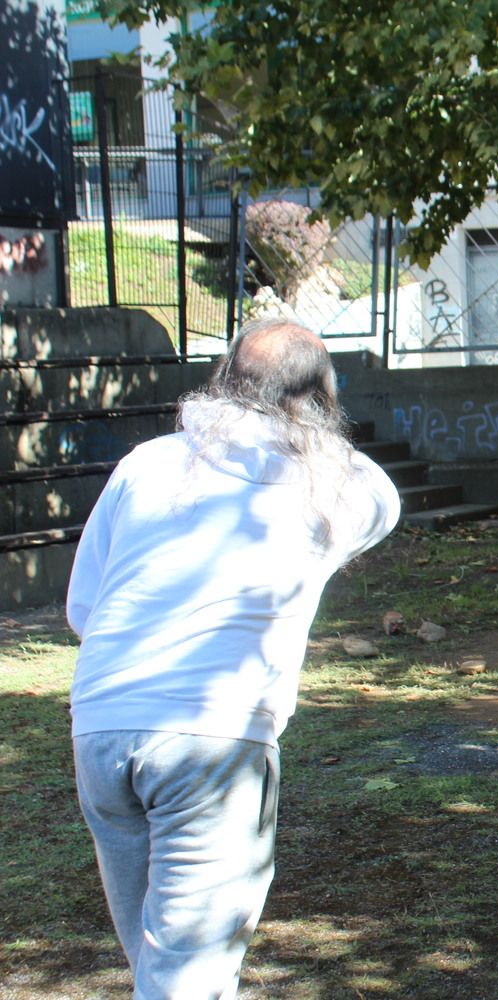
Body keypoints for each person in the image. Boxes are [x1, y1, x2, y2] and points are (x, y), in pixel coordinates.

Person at [67, 320, 402, 997]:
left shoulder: (145, 464)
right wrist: (313, 422)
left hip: (101, 728)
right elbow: (385, 498)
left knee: (160, 968)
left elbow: (83, 610)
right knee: (185, 977)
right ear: (317, 401)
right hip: (212, 740)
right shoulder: (324, 485)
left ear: (222, 381)